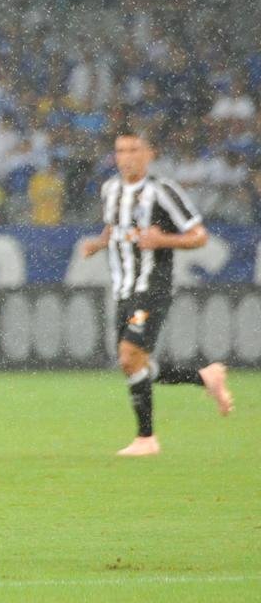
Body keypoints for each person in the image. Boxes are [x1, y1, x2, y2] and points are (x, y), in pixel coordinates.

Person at [79, 130, 233, 456]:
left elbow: (199, 236)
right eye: (121, 150)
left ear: (150, 154)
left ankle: (146, 438)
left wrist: (163, 240)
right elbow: (114, 228)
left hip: (152, 286)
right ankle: (205, 377)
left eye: (134, 149)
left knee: (128, 356)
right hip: (122, 289)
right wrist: (99, 243)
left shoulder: (162, 192)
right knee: (134, 363)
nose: (126, 156)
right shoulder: (111, 190)